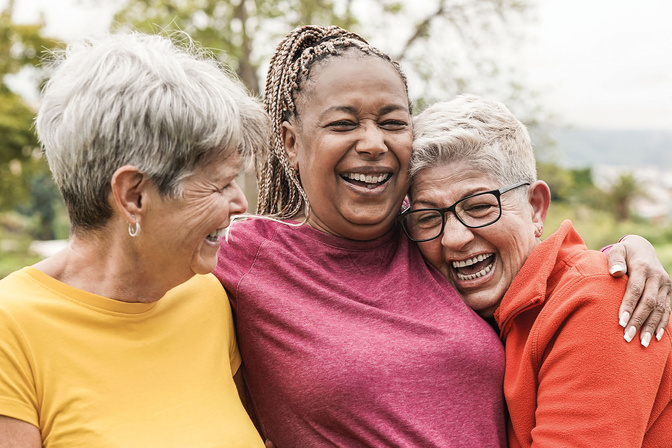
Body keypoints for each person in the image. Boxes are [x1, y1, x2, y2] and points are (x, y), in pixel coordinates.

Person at [215, 25, 671, 447]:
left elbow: (550, 279)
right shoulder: (248, 259)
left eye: (392, 123)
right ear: (291, 142)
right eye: (343, 123)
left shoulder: (422, 246)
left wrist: (615, 262)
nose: (454, 237)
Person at [0, 32, 269, 447]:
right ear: (133, 196)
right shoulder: (11, 329)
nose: (239, 203)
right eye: (221, 185)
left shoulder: (207, 295)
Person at [403, 94, 672, 447]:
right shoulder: (489, 308)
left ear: (535, 208)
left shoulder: (597, 301)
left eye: (481, 207)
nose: (453, 239)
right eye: (427, 218)